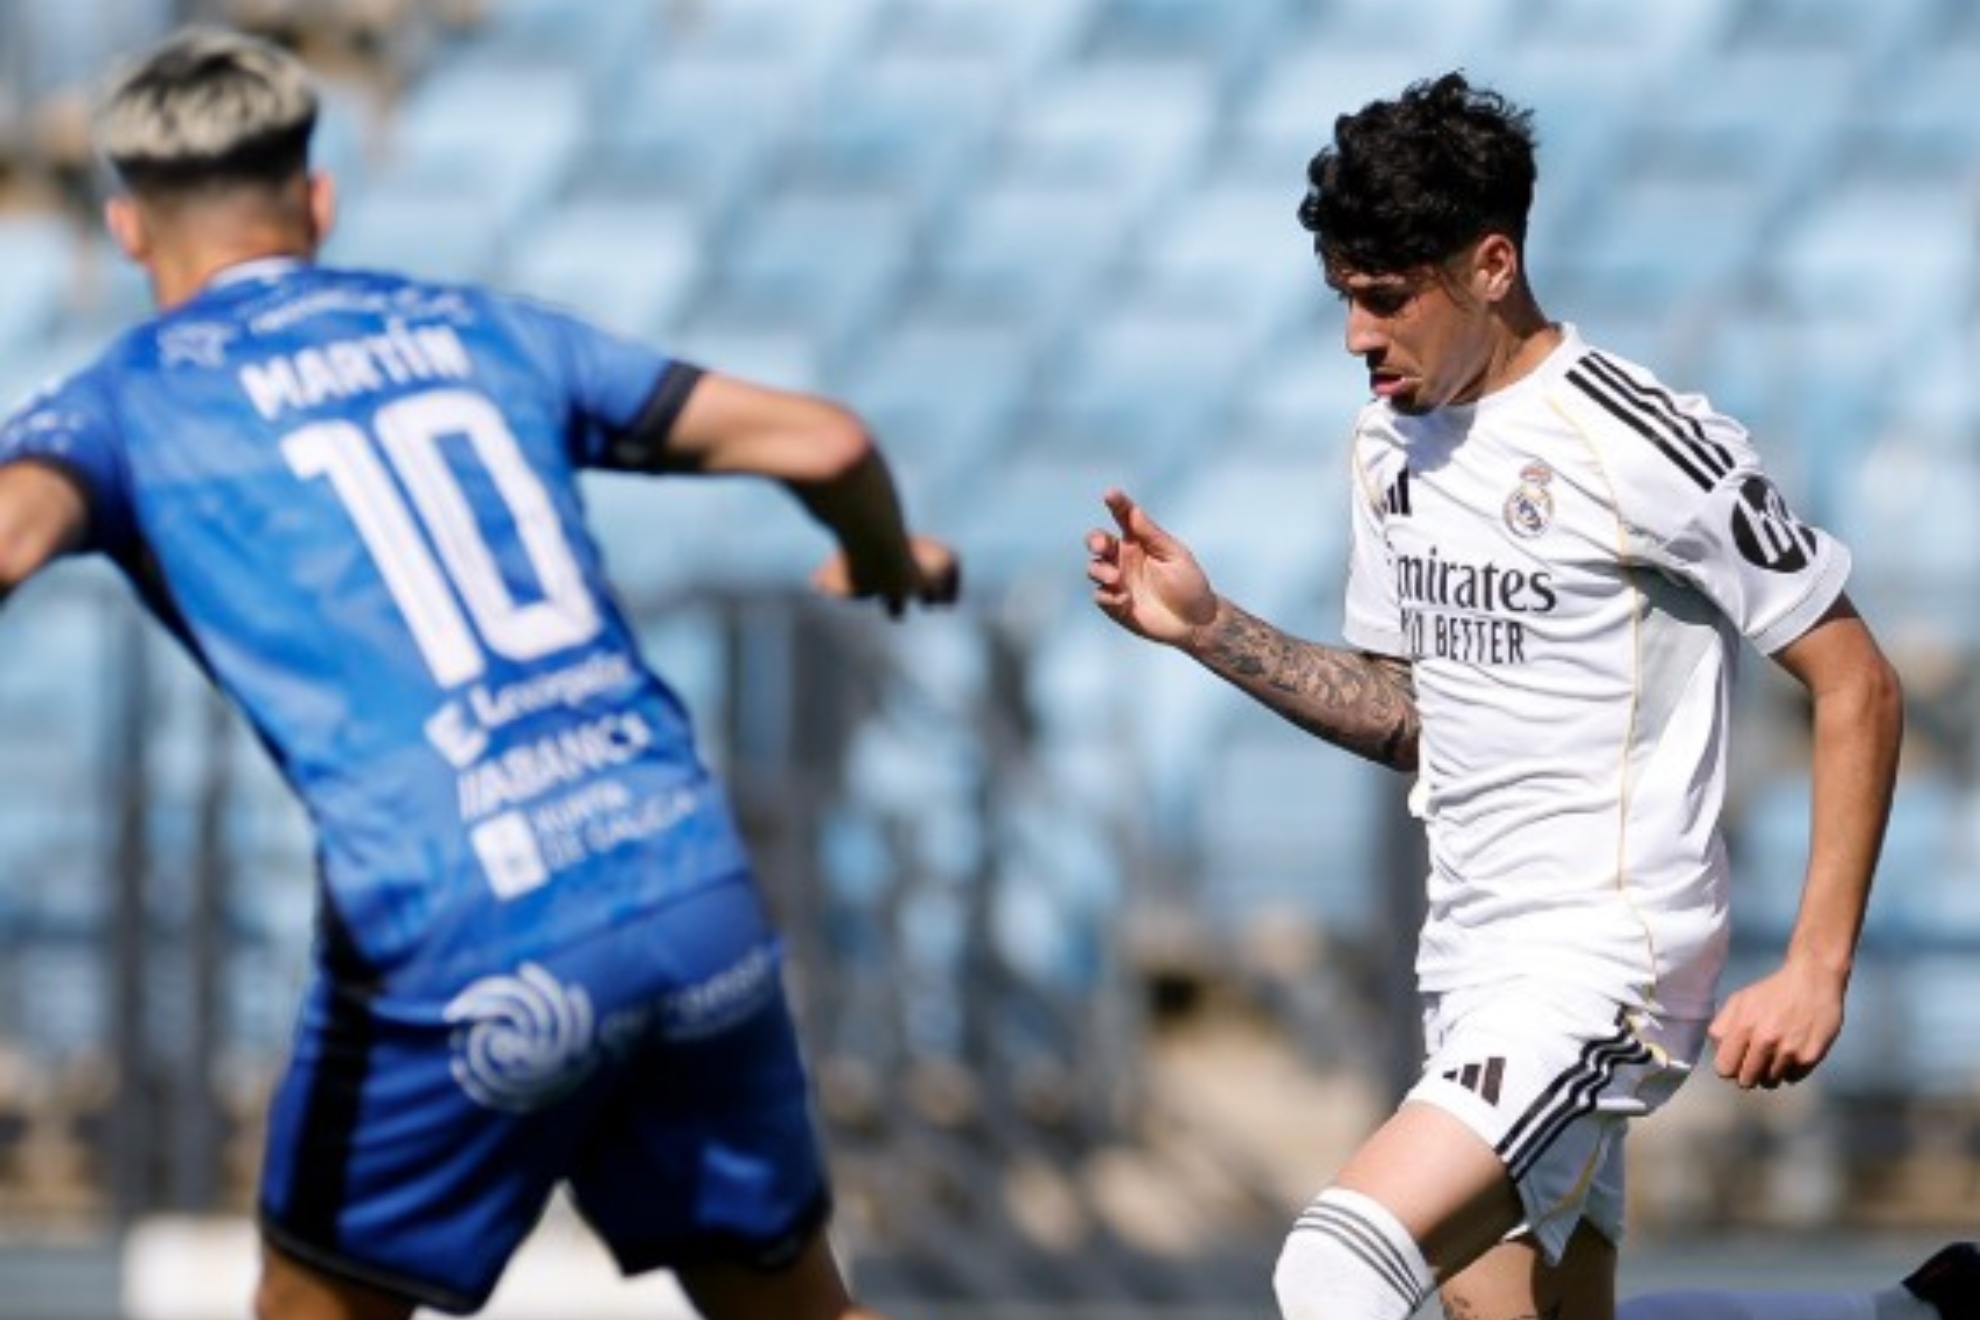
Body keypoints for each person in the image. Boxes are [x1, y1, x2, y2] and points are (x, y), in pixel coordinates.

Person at [0, 26, 957, 1320]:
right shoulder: (479, 329)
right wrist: (886, 557)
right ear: (318, 199)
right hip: (678, 874)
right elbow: (826, 438)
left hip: (460, 921)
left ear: (125, 229)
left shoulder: (117, 403)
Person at [1085, 72, 1965, 1320]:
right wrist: (1211, 631)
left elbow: (1858, 682)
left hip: (1605, 960)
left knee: (1335, 1264)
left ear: (1492, 266)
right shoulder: (1388, 443)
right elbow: (1406, 715)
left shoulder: (1648, 443)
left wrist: (1817, 965)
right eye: (1344, 299)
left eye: (1386, 300)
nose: (1357, 338)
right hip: (1471, 961)